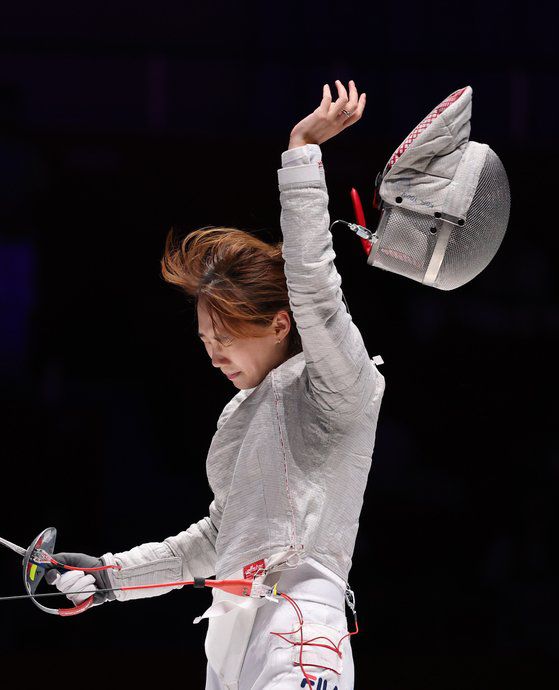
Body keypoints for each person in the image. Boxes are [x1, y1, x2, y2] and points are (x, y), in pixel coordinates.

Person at [50, 79, 385, 690]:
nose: (213, 354)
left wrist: (302, 154)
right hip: (232, 641)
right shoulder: (239, 418)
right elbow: (214, 540)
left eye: (225, 336)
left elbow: (314, 286)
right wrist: (106, 579)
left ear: (278, 323)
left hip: (300, 632)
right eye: (206, 340)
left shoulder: (339, 386)